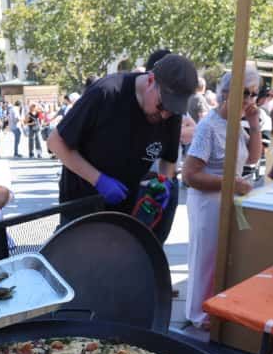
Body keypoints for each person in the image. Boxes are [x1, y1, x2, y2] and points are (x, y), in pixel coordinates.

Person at [48, 53, 197, 226]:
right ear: (150, 80)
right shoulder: (106, 93)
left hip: (127, 208)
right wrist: (98, 180)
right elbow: (56, 142)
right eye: (162, 106)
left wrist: (163, 182)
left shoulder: (171, 114)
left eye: (172, 111)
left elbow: (168, 160)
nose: (165, 115)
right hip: (82, 203)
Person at [182, 66, 263, 329]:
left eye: (255, 94)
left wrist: (253, 124)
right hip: (207, 202)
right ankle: (198, 315)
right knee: (204, 259)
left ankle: (212, 307)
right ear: (227, 93)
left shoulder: (235, 124)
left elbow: (252, 158)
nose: (251, 99)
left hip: (226, 200)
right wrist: (230, 183)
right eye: (246, 93)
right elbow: (190, 175)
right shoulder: (209, 126)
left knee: (220, 258)